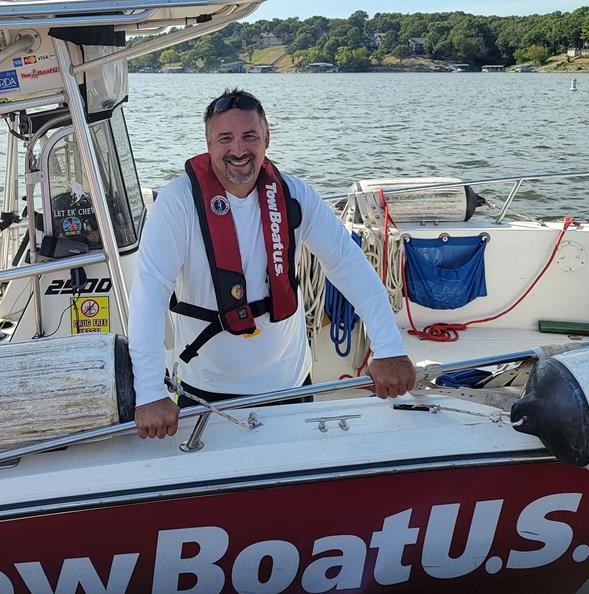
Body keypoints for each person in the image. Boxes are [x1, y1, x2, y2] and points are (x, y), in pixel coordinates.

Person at [128, 88, 415, 439]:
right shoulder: (178, 204)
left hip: (290, 385)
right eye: (225, 139)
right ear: (208, 143)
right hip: (207, 391)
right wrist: (151, 392)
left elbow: (347, 263)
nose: (238, 150)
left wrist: (389, 348)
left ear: (267, 138)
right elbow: (149, 293)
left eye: (249, 136)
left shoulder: (295, 195)